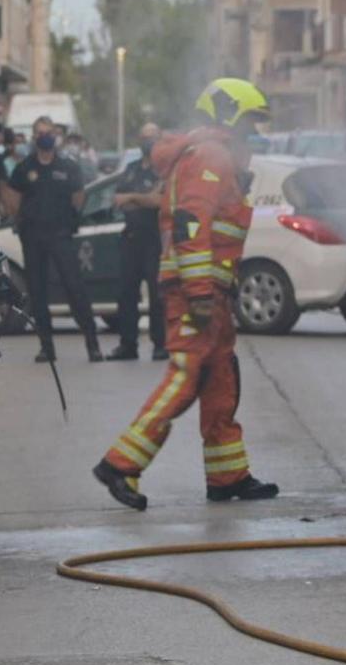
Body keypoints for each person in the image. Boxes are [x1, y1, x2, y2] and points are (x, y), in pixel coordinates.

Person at [93, 78, 279, 510]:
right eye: (250, 122)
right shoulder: (209, 156)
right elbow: (190, 223)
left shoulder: (211, 156)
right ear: (230, 115)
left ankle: (227, 475)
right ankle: (120, 464)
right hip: (197, 291)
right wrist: (197, 291)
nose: (254, 132)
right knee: (184, 377)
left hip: (213, 290)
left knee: (219, 380)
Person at [6, 123, 103, 363]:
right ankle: (46, 347)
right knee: (37, 293)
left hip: (60, 235)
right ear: (34, 137)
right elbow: (13, 200)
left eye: (48, 132)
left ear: (56, 137)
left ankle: (93, 345)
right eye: (40, 133)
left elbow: (78, 198)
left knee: (75, 288)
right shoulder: (24, 168)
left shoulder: (68, 167)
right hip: (33, 237)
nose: (44, 137)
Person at [109, 122, 168, 362]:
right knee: (126, 294)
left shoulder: (163, 170)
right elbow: (117, 200)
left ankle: (160, 344)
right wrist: (140, 199)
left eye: (152, 137)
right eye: (144, 137)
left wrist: (133, 197)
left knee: (157, 296)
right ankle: (128, 344)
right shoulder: (131, 169)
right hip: (131, 237)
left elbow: (157, 201)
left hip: (154, 239)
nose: (148, 142)